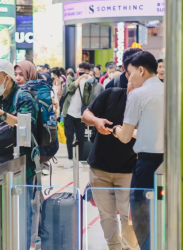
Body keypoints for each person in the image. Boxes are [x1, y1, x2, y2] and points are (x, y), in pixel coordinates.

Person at [0, 59, 39, 249]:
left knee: (22, 212)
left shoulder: (24, 97)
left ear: (7, 78)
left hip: (22, 164)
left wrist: (0, 114)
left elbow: (27, 127)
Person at [112, 51, 164, 249]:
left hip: (146, 167)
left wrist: (116, 130)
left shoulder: (137, 95)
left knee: (143, 220)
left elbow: (125, 136)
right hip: (170, 164)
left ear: (141, 70)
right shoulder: (170, 91)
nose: (129, 78)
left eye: (130, 72)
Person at [82, 82, 139, 250]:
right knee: (106, 216)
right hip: (99, 168)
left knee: (128, 217)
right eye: (131, 82)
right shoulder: (111, 94)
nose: (133, 87)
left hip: (129, 171)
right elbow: (85, 115)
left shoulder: (148, 106)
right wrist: (96, 121)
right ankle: (113, 247)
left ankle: (129, 248)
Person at [61, 61, 93, 168]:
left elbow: (87, 101)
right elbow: (70, 88)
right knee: (69, 137)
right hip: (69, 113)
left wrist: (90, 85)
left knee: (80, 138)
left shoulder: (88, 84)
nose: (83, 73)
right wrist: (79, 79)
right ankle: (70, 159)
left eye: (85, 71)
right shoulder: (71, 78)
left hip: (80, 115)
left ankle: (78, 159)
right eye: (81, 70)